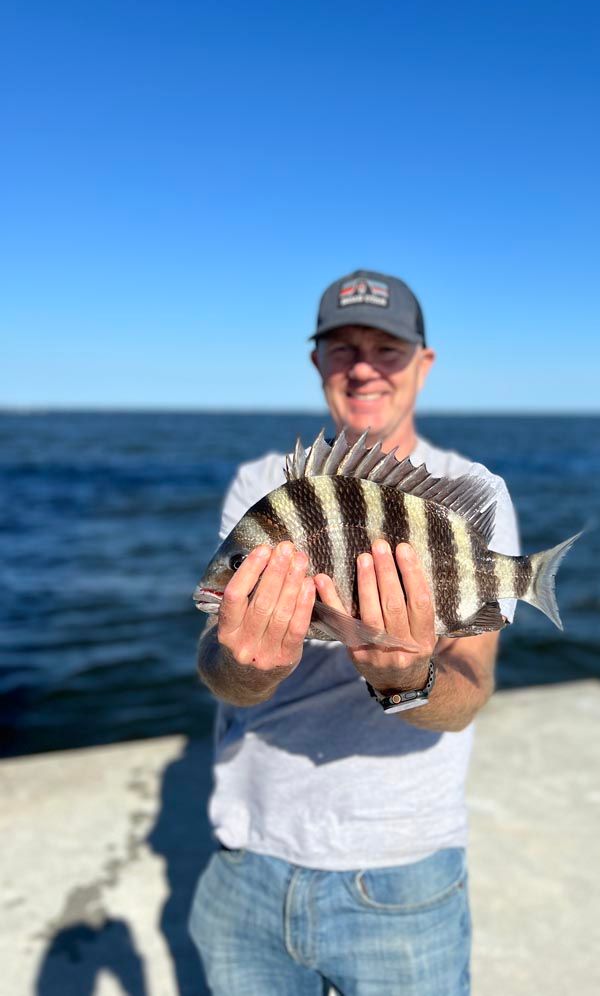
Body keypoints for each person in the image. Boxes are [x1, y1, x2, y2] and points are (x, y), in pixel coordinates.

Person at [189, 270, 520, 995]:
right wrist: (250, 664)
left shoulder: (476, 494)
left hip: (404, 869)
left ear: (422, 364)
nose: (363, 366)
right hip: (247, 854)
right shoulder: (262, 485)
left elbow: (469, 688)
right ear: (317, 363)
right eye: (341, 348)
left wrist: (406, 680)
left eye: (386, 348)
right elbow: (221, 669)